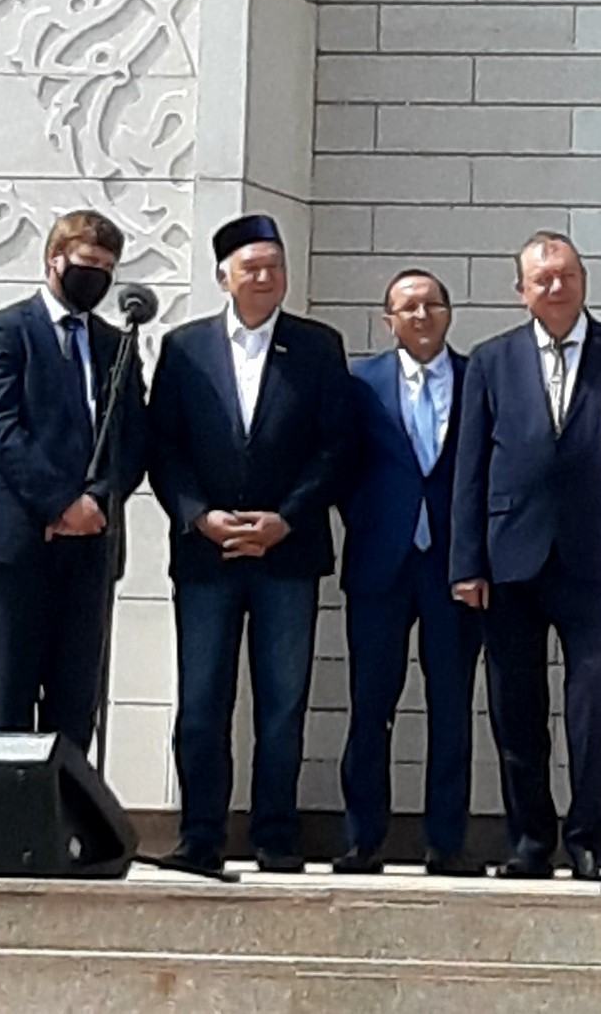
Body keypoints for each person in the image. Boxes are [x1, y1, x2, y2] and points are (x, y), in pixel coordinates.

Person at [147, 214, 355, 874]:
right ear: (224, 277)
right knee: (202, 703)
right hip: (206, 556)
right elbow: (164, 446)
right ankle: (200, 835)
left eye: (275, 265)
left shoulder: (318, 347)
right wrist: (198, 515)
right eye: (252, 267)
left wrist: (285, 519)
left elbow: (336, 446)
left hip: (286, 553)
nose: (266, 277)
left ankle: (275, 835)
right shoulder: (184, 348)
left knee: (282, 703)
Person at [453, 232, 601, 883]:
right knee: (516, 708)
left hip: (595, 554)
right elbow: (470, 467)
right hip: (511, 559)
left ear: (584, 280)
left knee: (591, 702)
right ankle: (530, 840)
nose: (556, 287)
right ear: (521, 291)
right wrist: (466, 563)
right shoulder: (491, 360)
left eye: (567, 275)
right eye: (543, 278)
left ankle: (590, 840)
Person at [0, 209, 150, 756]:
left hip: (92, 543)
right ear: (54, 260)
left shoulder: (116, 344)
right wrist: (60, 504)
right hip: (20, 536)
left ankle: (68, 805)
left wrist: (97, 502)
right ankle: (11, 806)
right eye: (88, 263)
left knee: (76, 693)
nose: (98, 277)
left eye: (108, 268)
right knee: (15, 686)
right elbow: (0, 428)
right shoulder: (5, 331)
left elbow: (133, 437)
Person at [334, 270, 482, 877]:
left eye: (432, 305)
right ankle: (363, 839)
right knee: (371, 704)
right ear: (387, 319)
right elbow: (341, 463)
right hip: (381, 564)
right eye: (408, 307)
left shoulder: (477, 378)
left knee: (451, 706)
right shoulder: (360, 383)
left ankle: (446, 842)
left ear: (448, 312)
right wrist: (371, 521)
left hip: (452, 567)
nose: (421, 316)